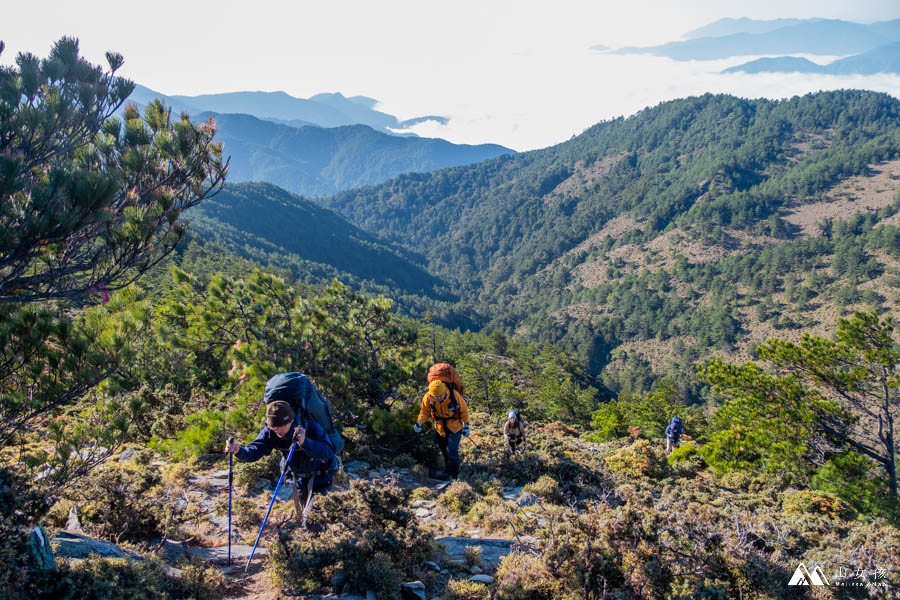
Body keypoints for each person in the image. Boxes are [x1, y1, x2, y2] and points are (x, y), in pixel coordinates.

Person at [225, 400, 335, 527]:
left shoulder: (309, 426)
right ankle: (314, 540)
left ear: (291, 421)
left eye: (280, 426)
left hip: (321, 478)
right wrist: (238, 450)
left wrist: (305, 442)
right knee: (308, 520)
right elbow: (254, 451)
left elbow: (328, 451)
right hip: (299, 479)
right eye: (273, 427)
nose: (277, 430)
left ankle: (323, 541)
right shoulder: (270, 432)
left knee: (316, 519)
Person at [414, 379, 469, 479]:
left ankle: (454, 474)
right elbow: (424, 412)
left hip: (455, 426)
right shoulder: (428, 397)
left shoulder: (454, 395)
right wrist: (419, 423)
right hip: (439, 427)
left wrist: (466, 426)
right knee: (443, 449)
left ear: (444, 392)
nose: (438, 398)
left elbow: (464, 410)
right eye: (436, 396)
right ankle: (447, 470)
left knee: (452, 450)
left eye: (440, 396)